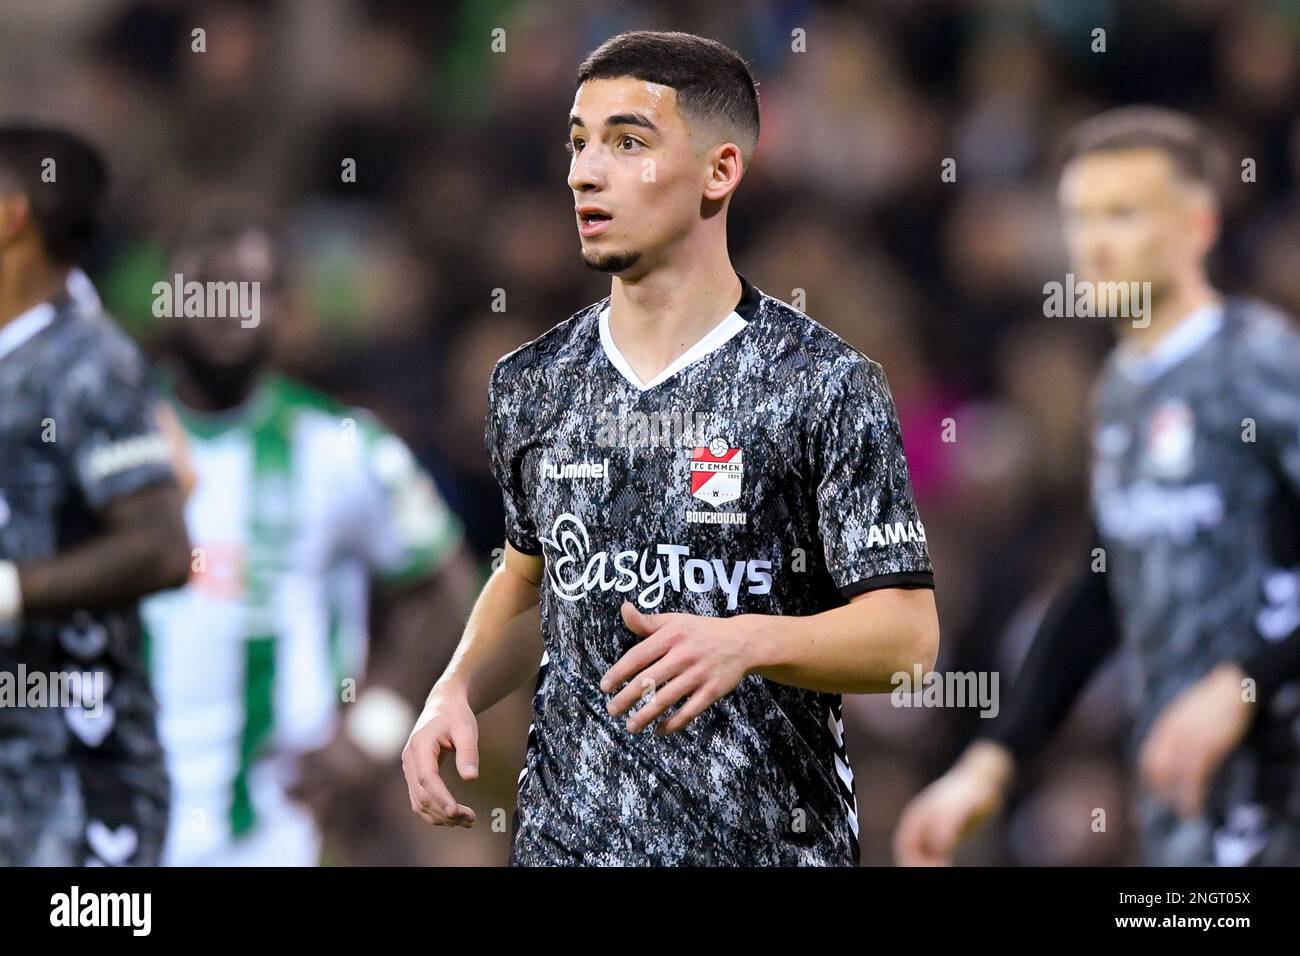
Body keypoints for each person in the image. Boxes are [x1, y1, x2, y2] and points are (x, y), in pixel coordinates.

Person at [402, 30, 940, 866]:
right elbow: (528, 577)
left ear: (720, 173)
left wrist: (750, 640)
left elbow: (908, 641)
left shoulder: (823, 384)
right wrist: (455, 690)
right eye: (579, 143)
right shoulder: (531, 383)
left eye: (627, 142)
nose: (585, 171)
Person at [894, 106, 1300, 867]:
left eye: (1124, 214)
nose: (1095, 242)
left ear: (1196, 226)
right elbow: (1101, 589)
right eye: (1081, 216)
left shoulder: (1263, 364)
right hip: (1189, 806)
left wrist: (1241, 685)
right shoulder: (1121, 390)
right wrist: (994, 760)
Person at [141, 206, 477, 865]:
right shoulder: (111, 439)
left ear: (285, 307)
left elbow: (444, 584)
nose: (228, 309)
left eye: (253, 290)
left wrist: (373, 730)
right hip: (113, 817)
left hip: (276, 829)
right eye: (205, 288)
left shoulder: (341, 446)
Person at [0, 124, 191, 865]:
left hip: (76, 784)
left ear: (12, 215)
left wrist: (12, 591)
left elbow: (161, 546)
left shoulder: (90, 363)